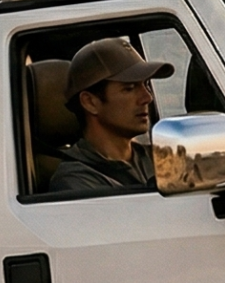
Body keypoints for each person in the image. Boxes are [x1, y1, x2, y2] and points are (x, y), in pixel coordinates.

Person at [46, 36, 174, 194]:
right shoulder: (76, 182)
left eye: (146, 84)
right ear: (90, 102)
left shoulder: (157, 159)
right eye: (129, 88)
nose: (147, 97)